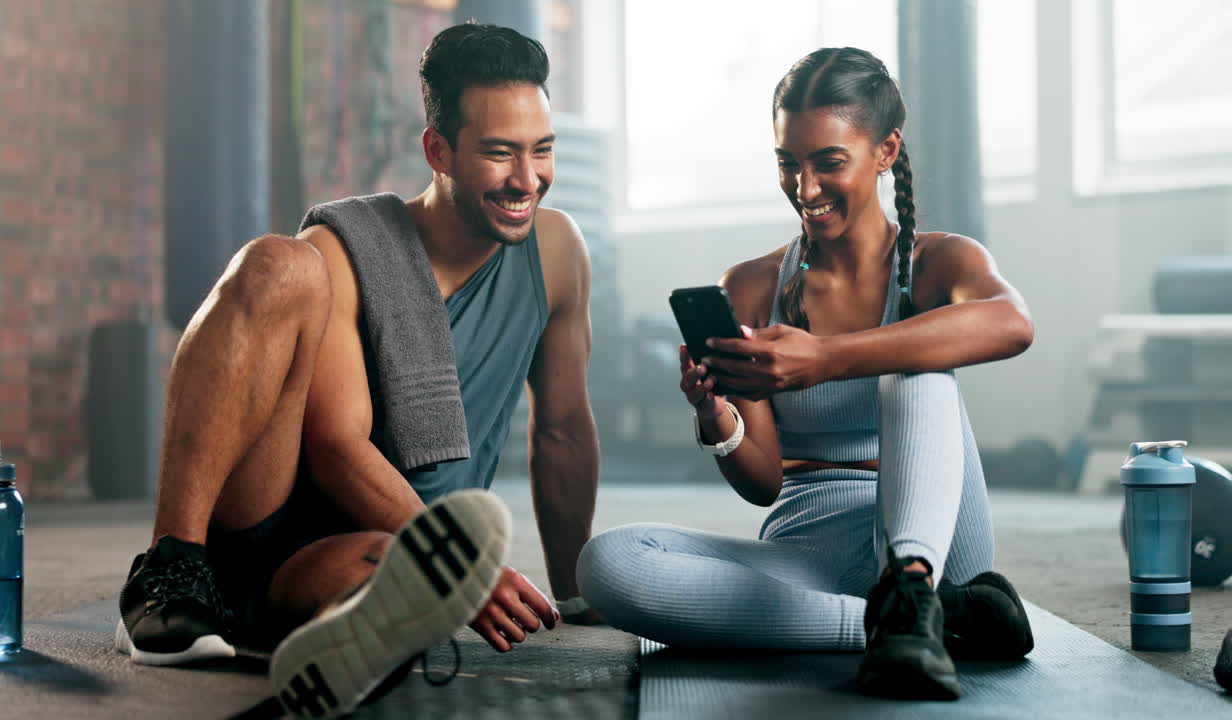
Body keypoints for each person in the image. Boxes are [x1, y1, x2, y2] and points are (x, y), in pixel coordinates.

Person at [114, 22, 601, 717]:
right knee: (281, 263)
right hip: (270, 525)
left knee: (398, 586)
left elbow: (562, 432)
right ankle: (170, 573)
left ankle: (350, 638)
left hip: (368, 552)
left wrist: (575, 596)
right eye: (499, 154)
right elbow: (337, 447)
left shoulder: (556, 253)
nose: (527, 180)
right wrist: (458, 561)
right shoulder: (348, 250)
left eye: (540, 151)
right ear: (439, 150)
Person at [576, 46, 1035, 700]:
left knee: (916, 361)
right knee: (609, 566)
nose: (805, 188)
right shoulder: (754, 284)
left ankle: (913, 592)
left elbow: (1014, 323)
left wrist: (822, 359)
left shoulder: (938, 262)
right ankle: (917, 626)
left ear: (885, 150)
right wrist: (718, 418)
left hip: (938, 548)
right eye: (788, 164)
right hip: (806, 550)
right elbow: (763, 483)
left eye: (829, 163)